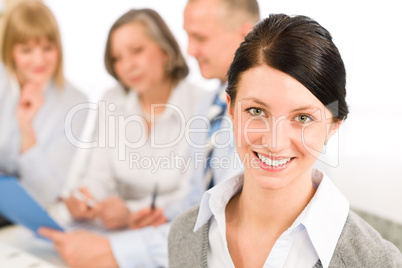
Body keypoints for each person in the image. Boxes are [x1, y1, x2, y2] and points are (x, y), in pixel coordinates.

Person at [168, 14, 402, 268]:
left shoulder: (375, 261)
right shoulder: (185, 235)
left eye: (302, 117)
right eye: (257, 111)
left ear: (333, 126)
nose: (274, 142)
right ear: (232, 110)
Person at [39, 8, 205, 268]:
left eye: (137, 50)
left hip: (167, 238)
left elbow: (194, 195)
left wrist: (129, 211)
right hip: (114, 231)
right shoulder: (111, 100)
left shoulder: (201, 105)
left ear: (165, 50)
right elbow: (98, 176)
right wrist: (86, 200)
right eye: (117, 58)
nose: (127, 65)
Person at [0, 1, 87, 206]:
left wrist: (26, 129)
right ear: (10, 51)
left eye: (48, 48)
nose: (39, 60)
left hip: (25, 210)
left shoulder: (75, 103)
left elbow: (46, 193)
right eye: (26, 50)